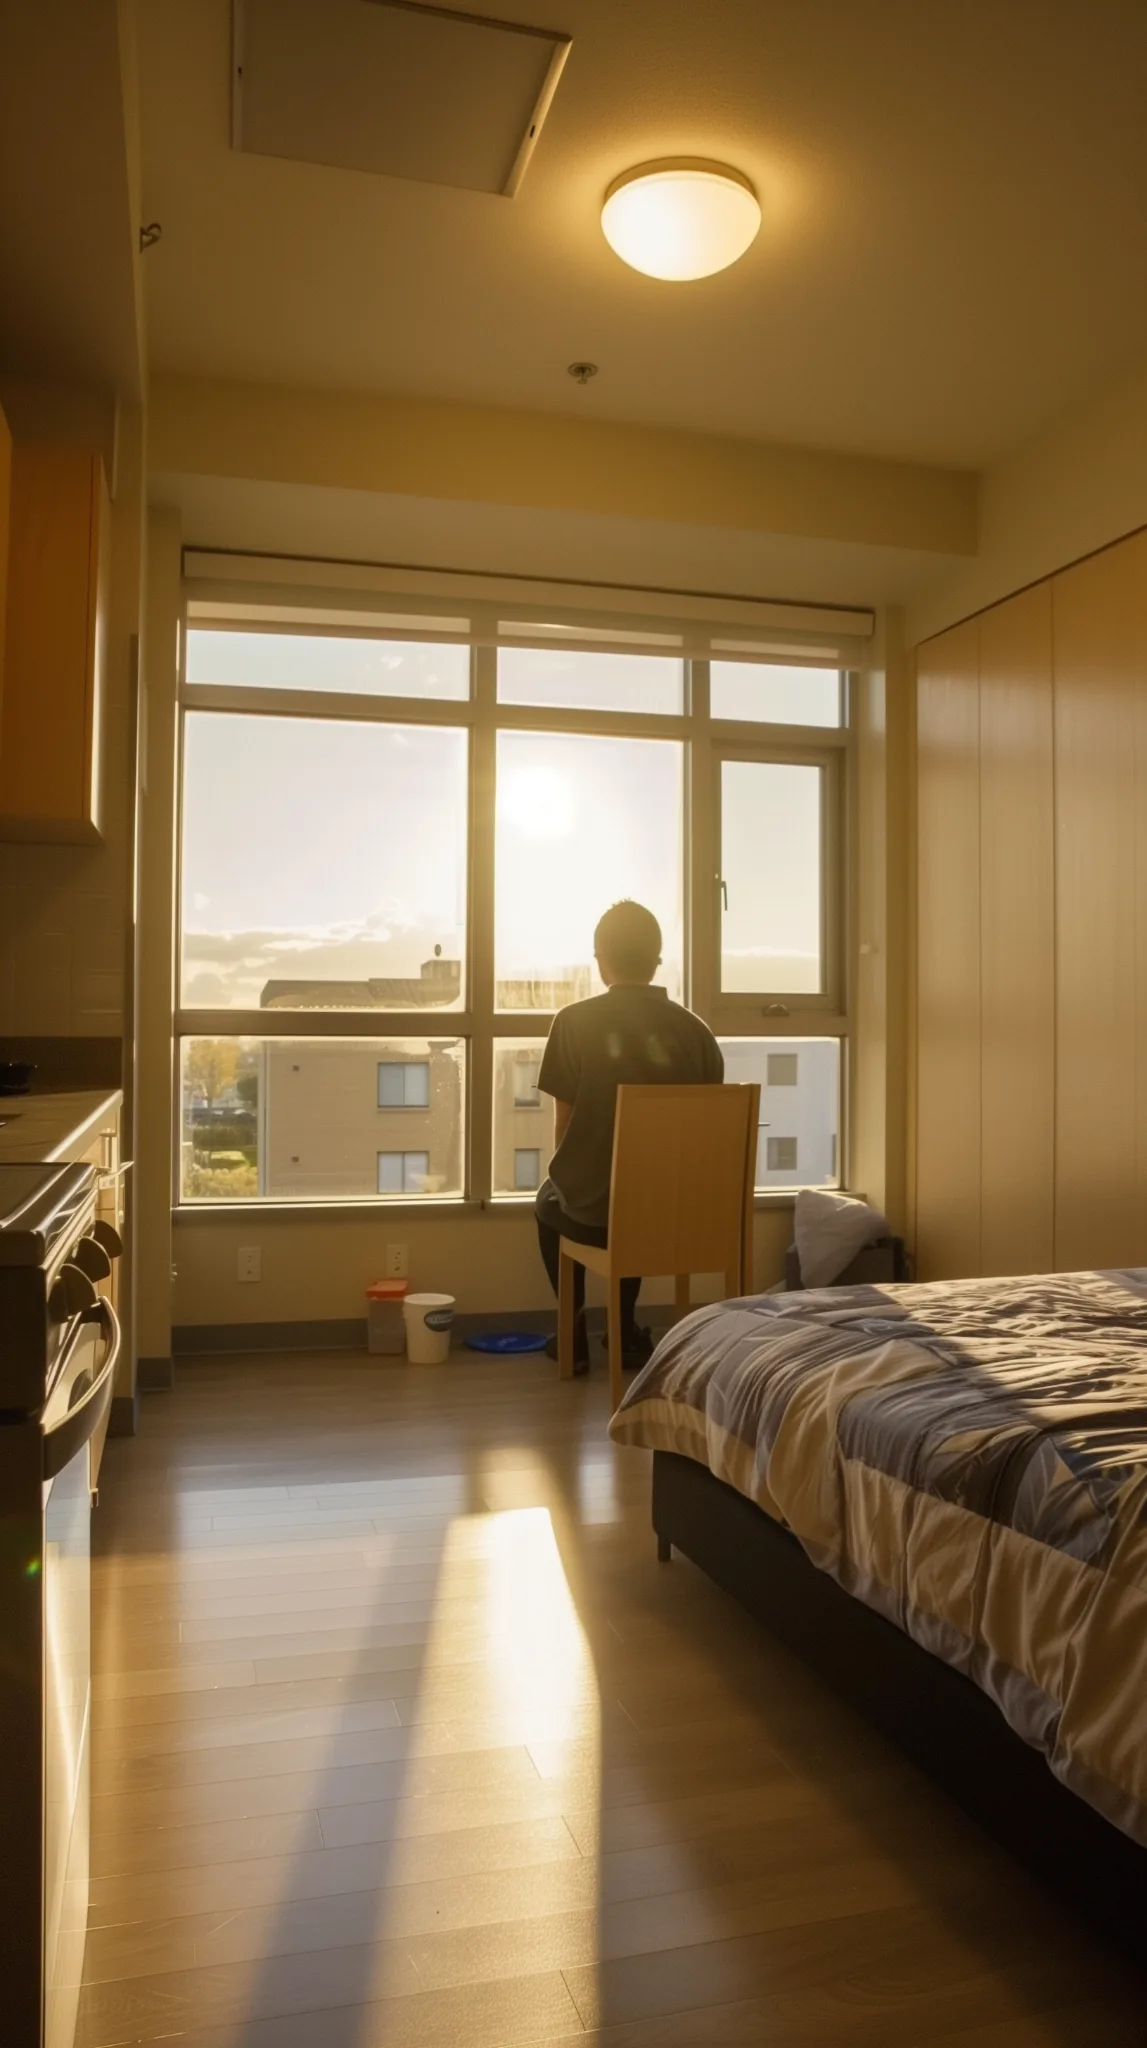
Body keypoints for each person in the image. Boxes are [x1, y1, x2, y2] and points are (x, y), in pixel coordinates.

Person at [535, 900, 724, 1374]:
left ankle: (572, 1327)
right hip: (679, 1210)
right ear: (657, 961)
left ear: (601, 960)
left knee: (551, 1201)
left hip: (603, 1214)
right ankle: (623, 1326)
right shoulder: (697, 1032)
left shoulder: (573, 1022)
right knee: (641, 1191)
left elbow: (565, 1126)